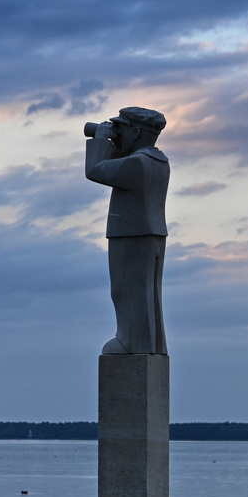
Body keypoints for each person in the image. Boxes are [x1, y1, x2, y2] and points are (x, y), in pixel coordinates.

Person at [85, 106, 170, 355]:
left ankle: (131, 341)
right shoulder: (157, 161)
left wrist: (101, 140)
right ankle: (151, 343)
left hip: (131, 233)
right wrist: (118, 146)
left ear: (134, 130)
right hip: (150, 233)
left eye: (120, 128)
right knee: (147, 291)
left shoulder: (137, 164)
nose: (116, 132)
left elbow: (94, 170)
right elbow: (115, 167)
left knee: (126, 289)